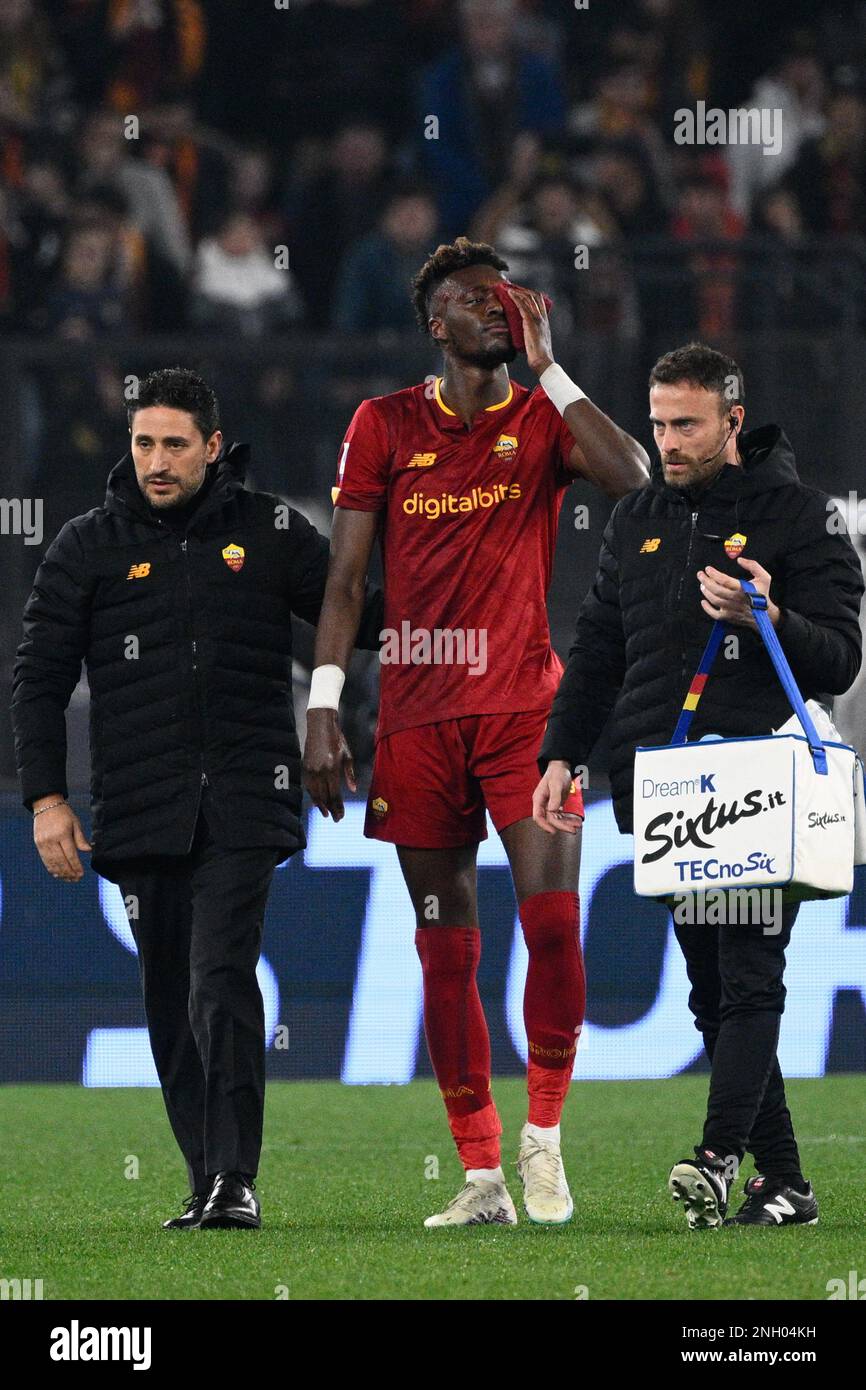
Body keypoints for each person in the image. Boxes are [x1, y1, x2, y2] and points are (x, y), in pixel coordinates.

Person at [303, 236, 649, 1228]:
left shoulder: (540, 418)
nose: (495, 309)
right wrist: (324, 703)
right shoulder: (383, 424)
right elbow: (343, 581)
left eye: (503, 296)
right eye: (471, 299)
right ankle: (483, 1173)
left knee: (550, 923)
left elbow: (634, 477)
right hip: (414, 717)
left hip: (525, 713)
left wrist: (552, 370)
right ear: (432, 323)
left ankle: (543, 1135)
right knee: (442, 953)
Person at [11, 367, 382, 1231]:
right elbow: (38, 680)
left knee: (220, 977)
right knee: (169, 999)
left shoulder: (272, 531)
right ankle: (207, 1175)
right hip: (140, 805)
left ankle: (236, 1179)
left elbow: (353, 611)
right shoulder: (86, 546)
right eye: (144, 442)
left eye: (175, 443)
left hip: (250, 797)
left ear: (214, 449)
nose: (157, 460)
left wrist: (456, 588)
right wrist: (45, 801)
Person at [534, 341, 863, 1229]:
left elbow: (841, 656)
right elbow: (599, 651)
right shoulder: (635, 515)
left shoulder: (799, 517)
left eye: (687, 424)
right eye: (659, 424)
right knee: (712, 991)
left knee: (751, 976)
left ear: (732, 422)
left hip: (758, 778)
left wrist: (772, 615)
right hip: (666, 789)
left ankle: (717, 1159)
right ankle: (785, 1183)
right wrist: (559, 753)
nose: (668, 441)